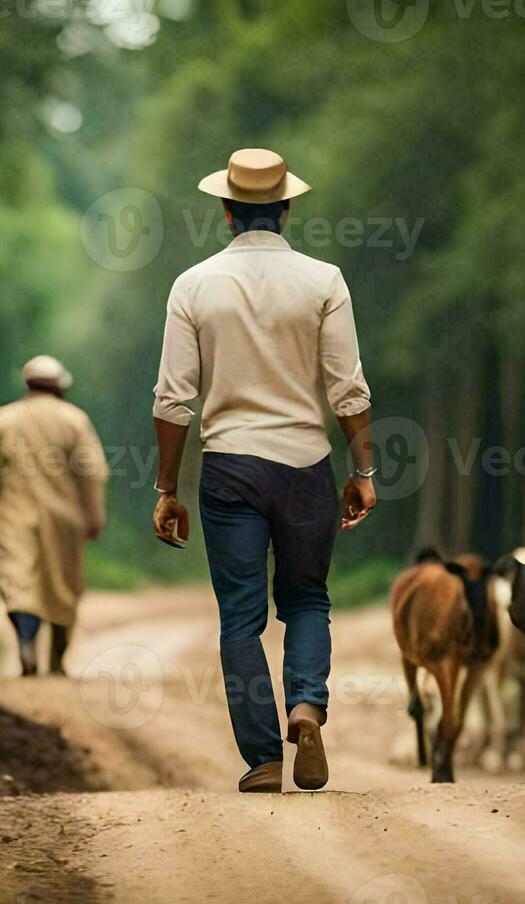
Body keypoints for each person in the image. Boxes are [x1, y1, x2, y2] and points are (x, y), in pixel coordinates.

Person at [150, 148, 377, 794]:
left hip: (230, 473)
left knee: (240, 618)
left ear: (225, 212)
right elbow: (348, 390)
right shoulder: (325, 281)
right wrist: (362, 469)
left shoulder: (192, 286)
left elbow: (173, 401)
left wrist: (167, 488)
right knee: (306, 598)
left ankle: (264, 757)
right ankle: (305, 705)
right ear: (287, 208)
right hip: (306, 466)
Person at [0, 355, 108, 676]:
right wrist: (94, 515)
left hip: (13, 516)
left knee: (19, 584)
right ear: (60, 387)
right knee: (62, 587)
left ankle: (26, 643)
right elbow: (93, 473)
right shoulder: (74, 420)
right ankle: (56, 660)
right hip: (65, 521)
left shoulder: (3, 419)